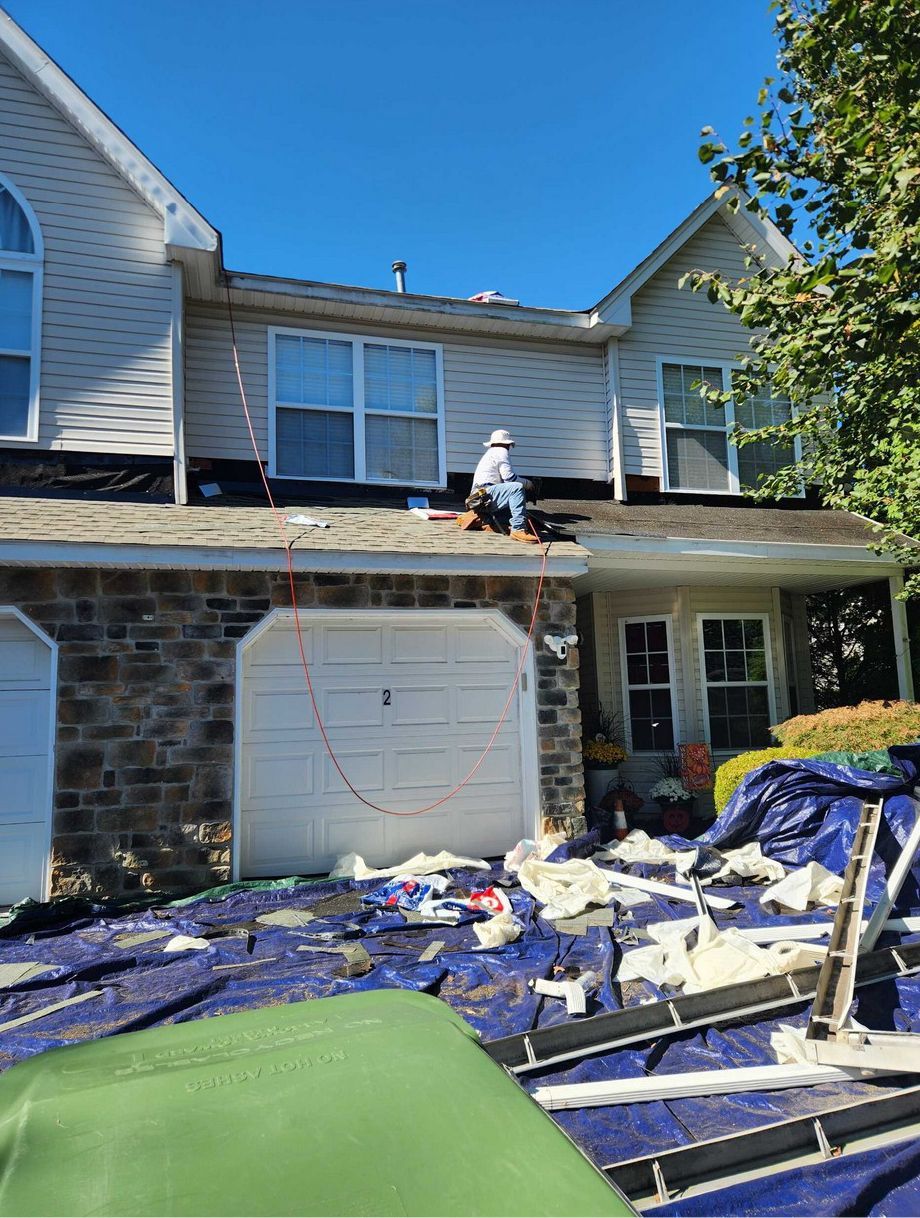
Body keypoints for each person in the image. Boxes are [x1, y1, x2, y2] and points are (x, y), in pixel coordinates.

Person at [469, 428, 538, 544]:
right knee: (516, 488)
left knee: (513, 501)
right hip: (484, 496)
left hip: (480, 497)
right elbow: (509, 478)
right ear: (507, 444)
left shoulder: (491, 452)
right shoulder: (501, 451)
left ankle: (490, 522)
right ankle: (518, 529)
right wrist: (529, 484)